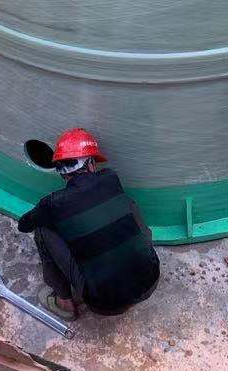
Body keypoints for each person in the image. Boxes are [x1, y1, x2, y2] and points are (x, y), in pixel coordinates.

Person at [17, 128, 160, 320]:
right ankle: (136, 270)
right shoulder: (111, 178)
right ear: (92, 164)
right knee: (126, 205)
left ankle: (64, 303)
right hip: (151, 280)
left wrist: (53, 215)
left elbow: (24, 225)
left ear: (61, 173)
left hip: (104, 303)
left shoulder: (53, 203)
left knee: (42, 231)